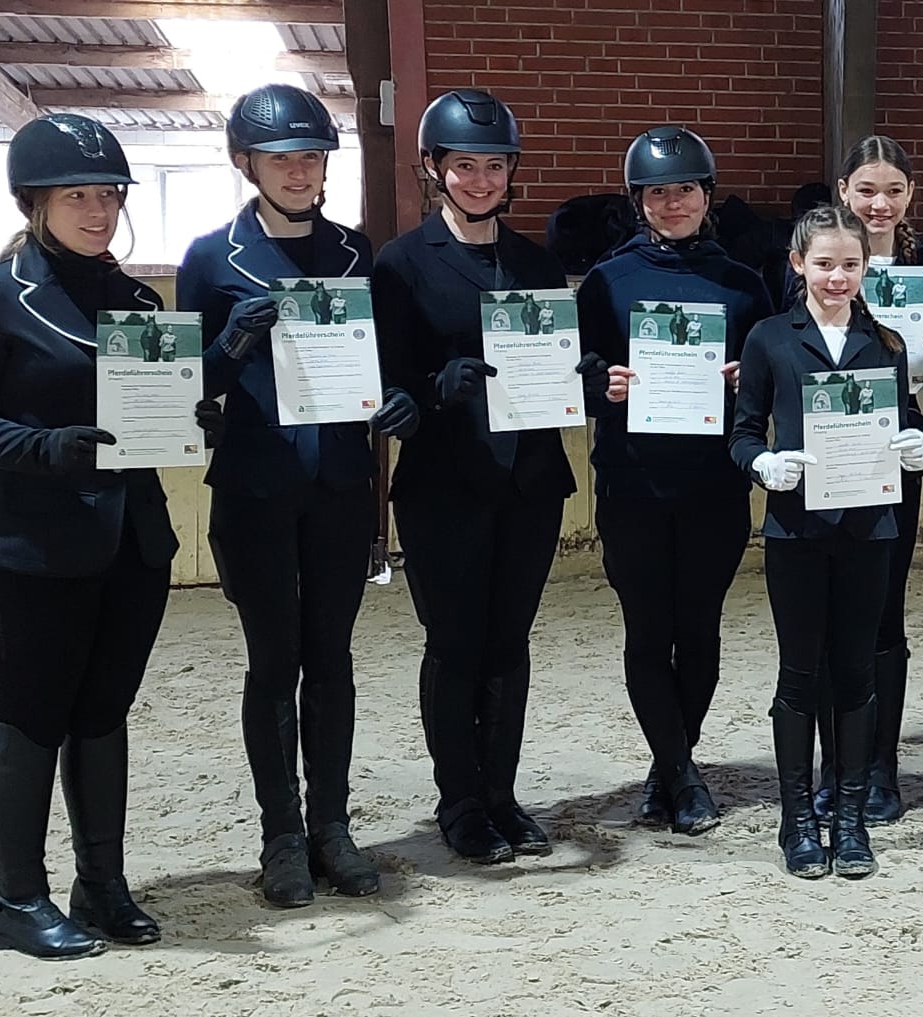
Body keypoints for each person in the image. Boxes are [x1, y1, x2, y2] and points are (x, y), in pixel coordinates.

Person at [0, 113, 209, 958]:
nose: (98, 210)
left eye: (109, 195)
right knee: (32, 716)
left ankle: (102, 883)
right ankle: (17, 900)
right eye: (77, 195)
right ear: (36, 201)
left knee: (103, 714)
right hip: (31, 544)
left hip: (132, 541)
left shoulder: (137, 301)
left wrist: (195, 420)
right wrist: (41, 447)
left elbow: (155, 406)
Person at [177, 82, 421, 906]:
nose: (298, 171)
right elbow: (186, 384)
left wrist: (398, 398)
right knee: (273, 659)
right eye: (281, 158)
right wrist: (229, 345)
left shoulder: (355, 253)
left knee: (332, 658)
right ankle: (280, 833)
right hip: (255, 483)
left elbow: (378, 360)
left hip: (340, 483)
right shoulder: (210, 257)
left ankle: (332, 824)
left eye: (311, 157)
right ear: (246, 163)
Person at [373, 89, 576, 864]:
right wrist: (433, 390)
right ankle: (459, 800)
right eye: (465, 166)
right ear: (435, 168)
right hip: (444, 484)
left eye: (494, 166)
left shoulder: (535, 262)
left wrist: (583, 375)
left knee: (509, 643)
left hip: (528, 481)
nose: (481, 181)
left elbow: (556, 364)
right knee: (455, 644)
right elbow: (385, 383)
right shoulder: (401, 264)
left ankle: (502, 794)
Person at [576, 125, 771, 835]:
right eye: (657, 192)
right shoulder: (606, 281)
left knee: (700, 629)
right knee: (647, 629)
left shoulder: (744, 283)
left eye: (685, 188)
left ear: (707, 195)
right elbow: (577, 374)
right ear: (638, 201)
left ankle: (670, 766)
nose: (673, 202)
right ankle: (683, 776)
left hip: (713, 484)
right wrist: (604, 385)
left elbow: (772, 377)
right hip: (633, 483)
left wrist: (750, 382)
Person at [730, 205, 923, 879]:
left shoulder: (886, 344)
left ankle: (849, 819)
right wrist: (762, 463)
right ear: (799, 264)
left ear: (865, 267)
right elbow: (743, 431)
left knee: (855, 673)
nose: (837, 277)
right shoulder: (769, 338)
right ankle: (797, 819)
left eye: (850, 264)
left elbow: (908, 422)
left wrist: (920, 447)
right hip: (796, 529)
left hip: (868, 529)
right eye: (824, 264)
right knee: (799, 673)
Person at [812, 135, 923, 824]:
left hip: (894, 455)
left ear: (910, 197)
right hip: (823, 457)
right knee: (825, 616)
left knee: (882, 614)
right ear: (843, 191)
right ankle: (834, 765)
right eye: (867, 190)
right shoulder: (812, 266)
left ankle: (880, 767)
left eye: (893, 191)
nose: (879, 203)